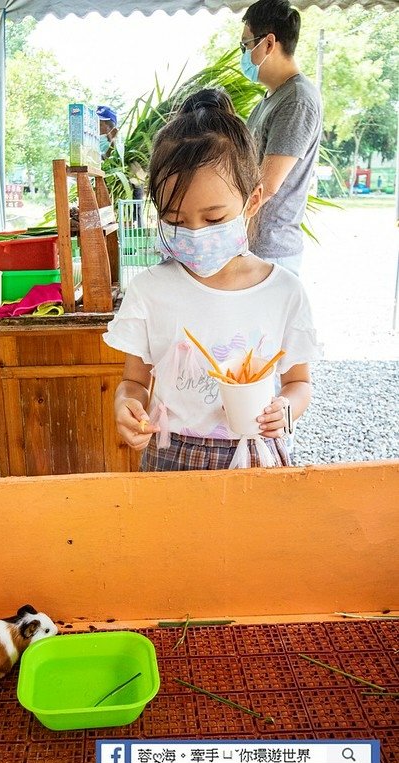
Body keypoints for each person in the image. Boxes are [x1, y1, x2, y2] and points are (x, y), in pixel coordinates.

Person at [102, 89, 321, 472]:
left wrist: (286, 410)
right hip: (171, 456)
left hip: (255, 455)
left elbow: (298, 383)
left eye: (214, 218)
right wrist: (126, 405)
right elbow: (134, 382)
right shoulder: (149, 292)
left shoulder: (284, 292)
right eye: (175, 218)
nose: (195, 231)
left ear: (252, 202)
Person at [240, 0, 322, 276]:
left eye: (246, 45)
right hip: (255, 246)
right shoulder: (270, 99)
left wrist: (224, 220)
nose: (244, 55)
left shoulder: (297, 100)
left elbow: (268, 184)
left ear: (268, 44)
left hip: (273, 252)